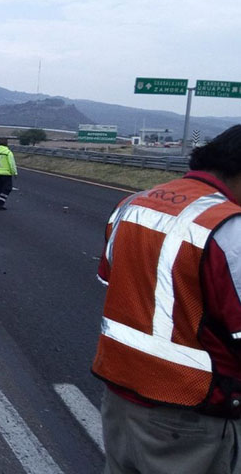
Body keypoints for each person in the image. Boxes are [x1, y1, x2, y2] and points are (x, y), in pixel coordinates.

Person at [92, 125, 241, 474]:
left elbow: (112, 279)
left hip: (120, 397)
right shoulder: (229, 228)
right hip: (191, 415)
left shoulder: (132, 204)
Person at [0, 138, 17, 210]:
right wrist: (14, 173)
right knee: (7, 188)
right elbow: (12, 164)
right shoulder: (8, 152)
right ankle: (0, 202)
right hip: (6, 173)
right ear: (6, 144)